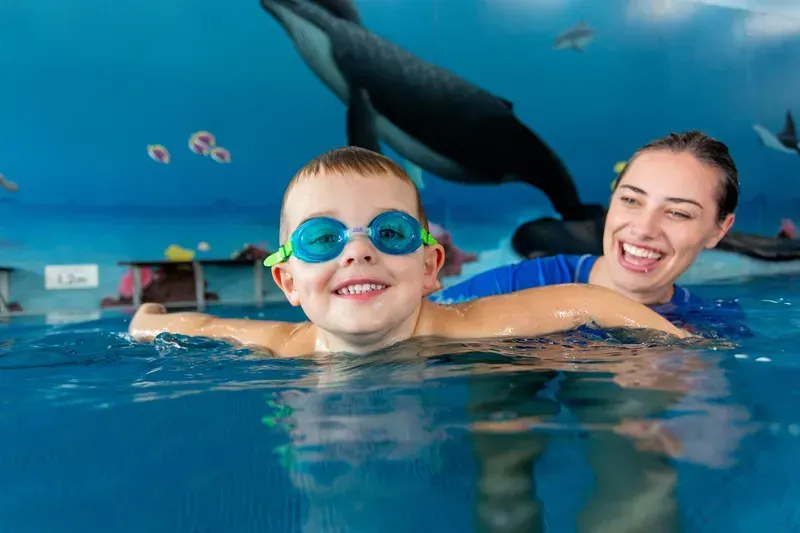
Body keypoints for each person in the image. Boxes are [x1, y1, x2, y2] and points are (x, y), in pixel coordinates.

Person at [128, 146, 690, 355]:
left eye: (390, 232)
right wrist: (148, 318)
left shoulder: (473, 325)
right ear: (288, 283)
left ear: (429, 268)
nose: (359, 253)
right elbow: (203, 326)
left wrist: (674, 348)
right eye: (322, 239)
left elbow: (588, 300)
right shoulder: (283, 344)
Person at [430, 130, 746, 333]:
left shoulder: (711, 325)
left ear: (719, 230)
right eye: (631, 200)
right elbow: (417, 323)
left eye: (677, 212)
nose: (644, 229)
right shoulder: (523, 283)